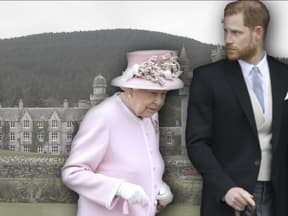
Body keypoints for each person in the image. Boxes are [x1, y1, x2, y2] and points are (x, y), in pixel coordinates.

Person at [185, 1, 288, 216]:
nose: (227, 40)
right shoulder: (208, 78)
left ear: (257, 33)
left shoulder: (284, 76)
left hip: (279, 198)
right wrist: (225, 188)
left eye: (236, 33)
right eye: (226, 32)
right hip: (229, 200)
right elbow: (197, 143)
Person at [62, 50, 184, 216]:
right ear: (130, 89)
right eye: (153, 93)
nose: (159, 102)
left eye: (163, 94)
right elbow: (73, 173)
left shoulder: (150, 116)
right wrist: (118, 188)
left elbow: (140, 166)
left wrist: (157, 187)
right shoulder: (102, 117)